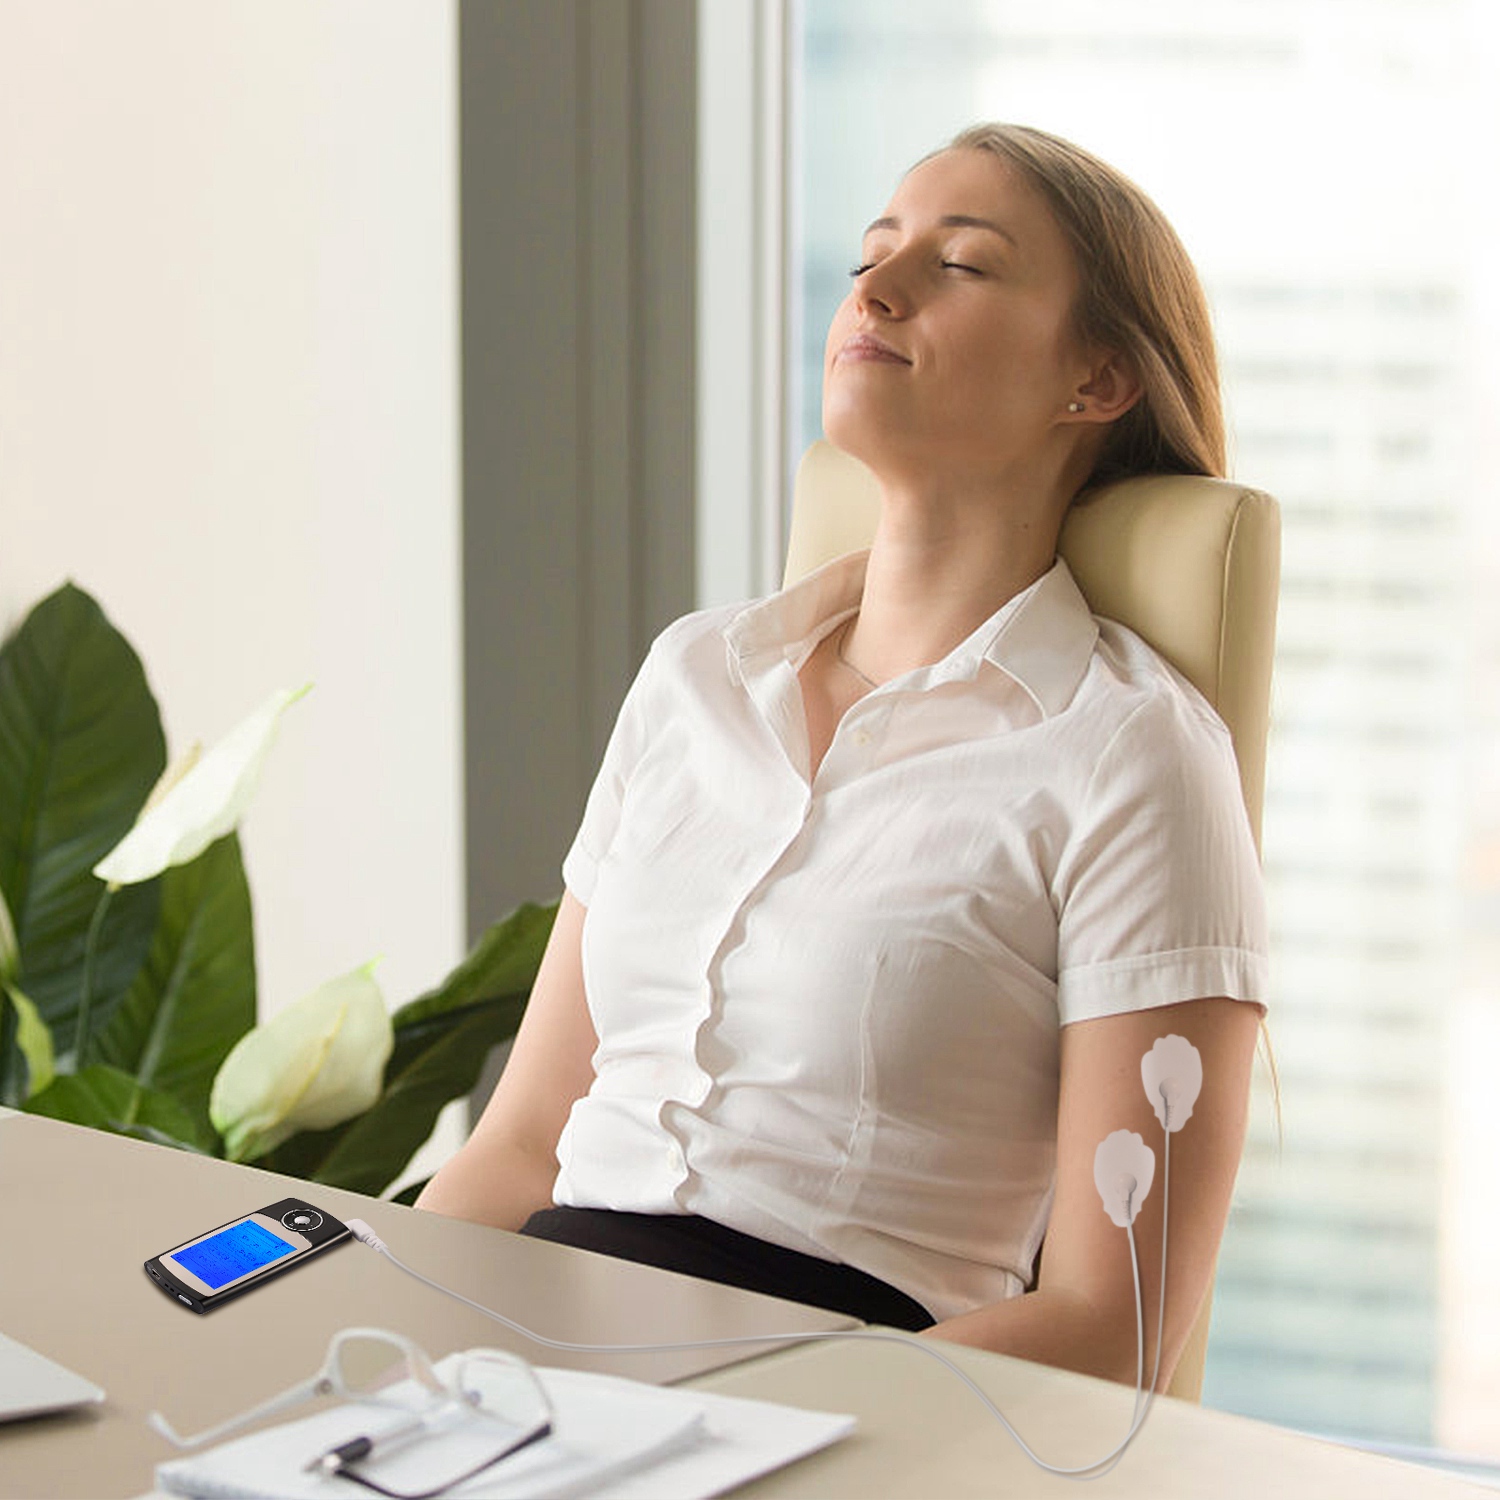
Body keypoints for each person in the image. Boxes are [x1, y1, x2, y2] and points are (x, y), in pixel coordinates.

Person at [418, 123, 1268, 1390]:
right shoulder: (695, 676)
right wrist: (383, 1369)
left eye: (960, 264)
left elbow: (1114, 1323)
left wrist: (737, 1419)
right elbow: (522, 1145)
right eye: (873, 254)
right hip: (530, 1375)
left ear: (1096, 380)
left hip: (837, 1406)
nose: (873, 290)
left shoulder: (1134, 758)